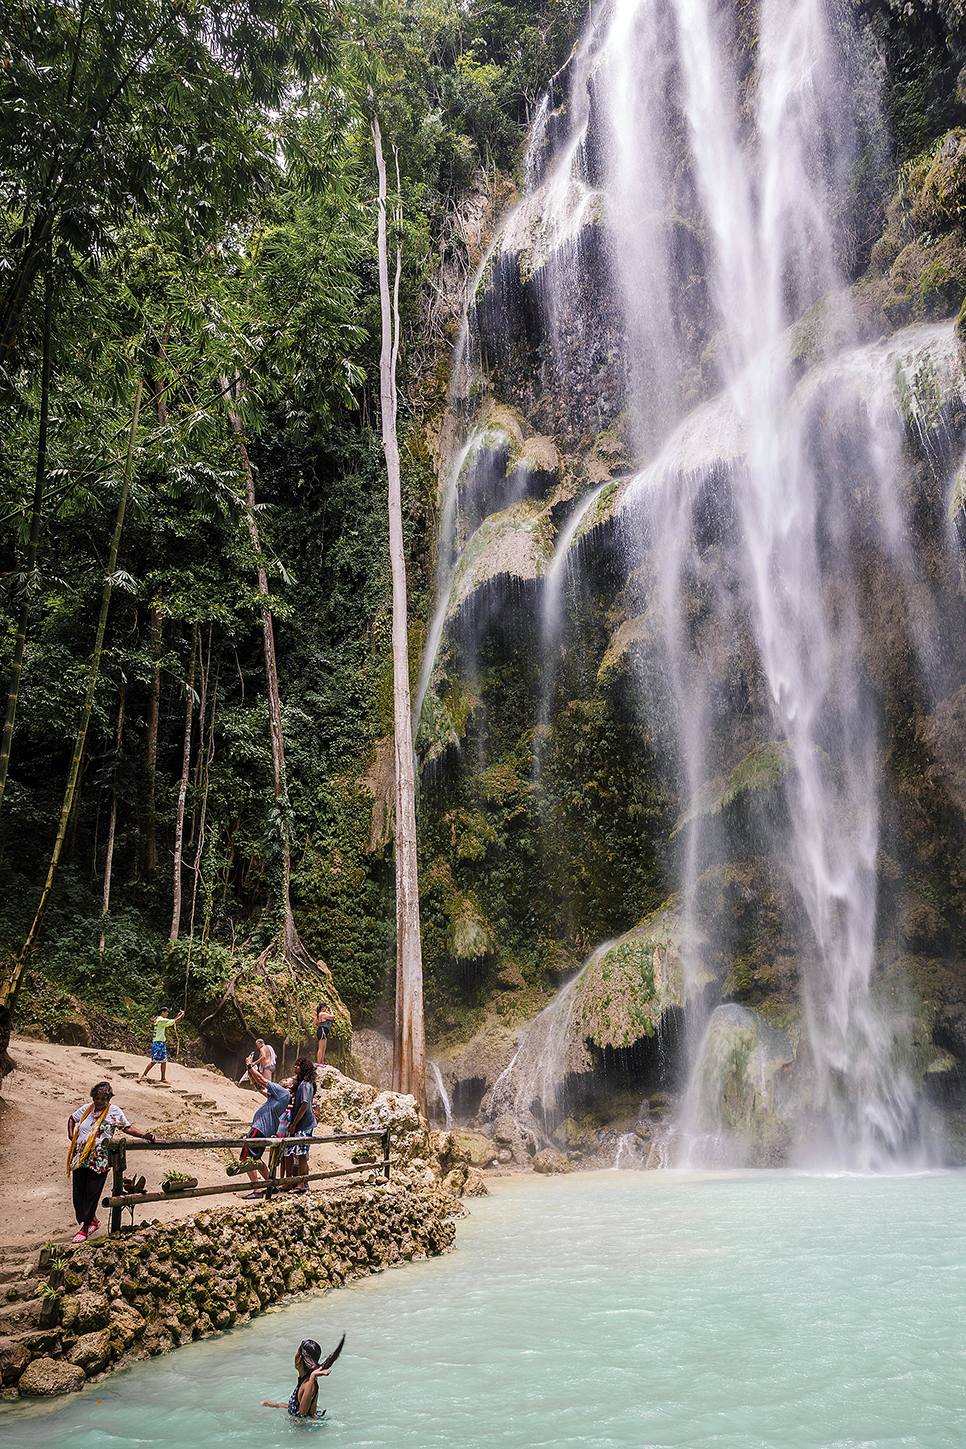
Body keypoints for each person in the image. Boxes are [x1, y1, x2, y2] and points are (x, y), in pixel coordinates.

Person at [67, 1081, 156, 1242]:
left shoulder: (114, 1112)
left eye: (103, 1099)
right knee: (79, 1194)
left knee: (92, 1193)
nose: (100, 1102)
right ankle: (92, 1220)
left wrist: (143, 1135)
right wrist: (71, 1135)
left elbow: (126, 1127)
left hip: (99, 1161)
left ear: (109, 1099)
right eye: (97, 1098)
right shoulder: (86, 1109)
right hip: (80, 1159)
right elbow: (72, 1118)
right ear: (93, 1097)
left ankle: (85, 1228)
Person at [238, 1059, 292, 1197]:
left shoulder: (283, 1093)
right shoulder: (277, 1098)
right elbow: (258, 1086)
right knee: (256, 1158)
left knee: (246, 1158)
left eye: (288, 1081)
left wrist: (251, 1065)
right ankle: (271, 1185)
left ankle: (257, 1190)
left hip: (260, 1128)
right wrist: (249, 1069)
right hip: (264, 1129)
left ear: (291, 1088)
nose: (284, 1080)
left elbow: (261, 1080)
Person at [261, 1339, 332, 1418]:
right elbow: (296, 1406)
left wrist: (312, 1377)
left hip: (303, 1428)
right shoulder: (306, 1381)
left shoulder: (309, 1383)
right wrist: (277, 1405)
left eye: (297, 1353)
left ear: (299, 1359)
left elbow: (302, 1412)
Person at [283, 1058, 317, 1191]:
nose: (295, 1067)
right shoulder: (304, 1084)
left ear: (304, 1068)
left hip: (304, 1124)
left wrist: (294, 1124)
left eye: (298, 1065)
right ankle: (289, 1182)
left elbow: (304, 1106)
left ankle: (301, 1184)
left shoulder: (304, 1085)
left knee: (301, 1154)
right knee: (290, 1151)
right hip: (300, 1124)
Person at [139, 1006, 184, 1082]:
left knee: (164, 1061)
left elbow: (171, 1021)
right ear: (162, 1012)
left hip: (160, 1043)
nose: (167, 1013)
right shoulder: (161, 1021)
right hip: (158, 1043)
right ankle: (144, 1075)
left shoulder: (160, 1020)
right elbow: (174, 1021)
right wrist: (182, 1015)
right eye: (166, 1012)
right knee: (154, 1061)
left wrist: (178, 1015)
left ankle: (163, 1078)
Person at [315, 1001, 335, 1065]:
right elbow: (332, 1017)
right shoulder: (322, 1014)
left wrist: (319, 1027)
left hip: (323, 1031)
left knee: (324, 1048)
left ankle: (322, 1062)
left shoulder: (319, 1015)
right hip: (322, 1031)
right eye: (325, 1007)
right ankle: (319, 1063)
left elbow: (315, 1023)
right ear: (323, 1007)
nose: (326, 1009)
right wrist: (330, 1009)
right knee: (321, 1048)